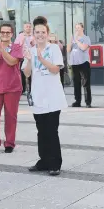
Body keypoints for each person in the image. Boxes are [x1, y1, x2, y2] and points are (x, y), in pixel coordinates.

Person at [22, 16, 68, 176]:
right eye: (37, 32)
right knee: (41, 130)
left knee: (52, 130)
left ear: (47, 33)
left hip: (53, 97)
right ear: (33, 34)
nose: (40, 34)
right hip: (38, 96)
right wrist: (29, 60)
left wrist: (41, 59)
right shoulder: (31, 51)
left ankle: (55, 163)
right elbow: (27, 73)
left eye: (43, 32)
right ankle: (44, 161)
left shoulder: (54, 48)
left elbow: (56, 69)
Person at [0, 23, 23, 153]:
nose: (5, 34)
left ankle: (9, 143)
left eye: (8, 32)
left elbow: (12, 61)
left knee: (11, 116)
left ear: (12, 34)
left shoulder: (17, 47)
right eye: (3, 32)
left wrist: (2, 49)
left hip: (12, 87)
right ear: (0, 34)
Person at [67, 23, 92, 108]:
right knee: (76, 83)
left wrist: (77, 40)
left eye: (79, 28)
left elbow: (83, 48)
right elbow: (68, 50)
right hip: (74, 63)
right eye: (76, 28)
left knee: (86, 82)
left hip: (84, 62)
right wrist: (71, 40)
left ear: (82, 28)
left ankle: (88, 102)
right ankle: (77, 101)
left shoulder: (86, 38)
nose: (77, 30)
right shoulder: (73, 39)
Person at [17, 23, 34, 94]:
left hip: (32, 57)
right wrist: (22, 41)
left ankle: (31, 90)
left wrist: (33, 43)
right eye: (27, 27)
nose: (28, 28)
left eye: (30, 27)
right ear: (24, 28)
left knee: (31, 74)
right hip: (23, 57)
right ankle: (22, 89)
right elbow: (16, 46)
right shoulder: (20, 36)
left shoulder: (34, 36)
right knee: (22, 74)